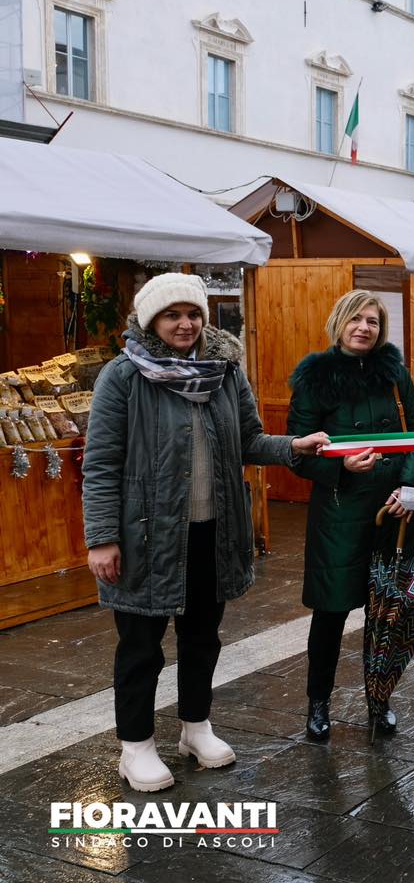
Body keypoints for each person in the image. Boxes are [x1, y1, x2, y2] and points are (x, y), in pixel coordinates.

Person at [83, 273, 328, 791]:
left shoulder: (225, 372)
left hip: (211, 533)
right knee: (141, 647)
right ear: (152, 320)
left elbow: (249, 440)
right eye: (172, 315)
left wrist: (293, 447)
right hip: (143, 538)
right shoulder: (123, 377)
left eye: (192, 314)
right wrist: (101, 537)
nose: (185, 324)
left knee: (202, 640)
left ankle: (196, 727)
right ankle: (136, 746)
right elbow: (101, 464)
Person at [287, 290, 414, 740]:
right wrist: (339, 466)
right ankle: (318, 703)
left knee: (385, 611)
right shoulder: (314, 378)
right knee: (330, 614)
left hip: (390, 513)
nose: (364, 328)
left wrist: (408, 487)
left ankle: (379, 697)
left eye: (372, 321)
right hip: (338, 514)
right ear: (339, 323)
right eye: (356, 319)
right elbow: (297, 450)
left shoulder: (394, 374)